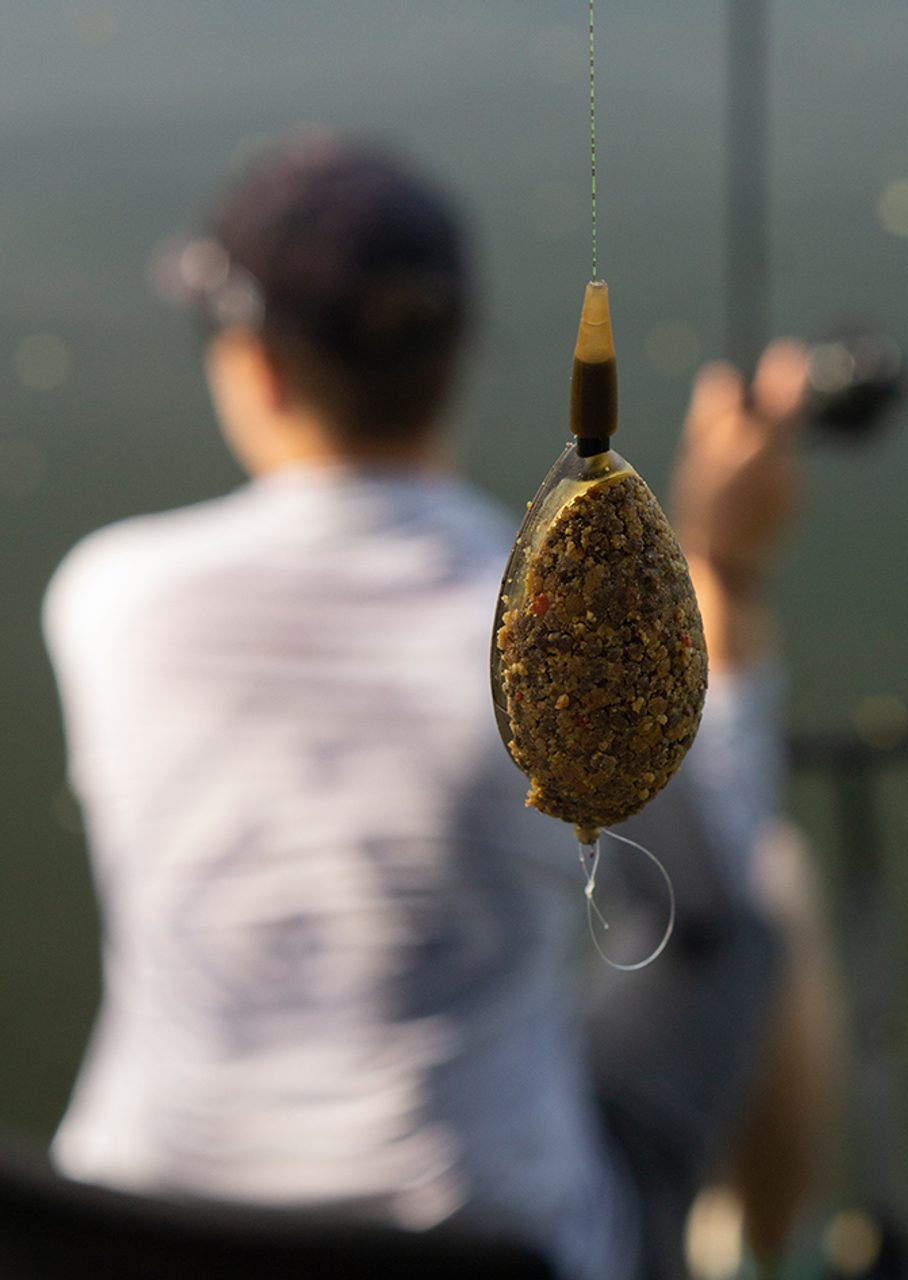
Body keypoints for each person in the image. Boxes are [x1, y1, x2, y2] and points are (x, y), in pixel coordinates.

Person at [43, 134, 835, 1280]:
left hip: (129, 1229)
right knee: (765, 888)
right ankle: (766, 1254)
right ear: (457, 353)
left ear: (257, 368)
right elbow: (701, 886)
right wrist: (727, 573)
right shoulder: (550, 634)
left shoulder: (105, 598)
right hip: (493, 1245)